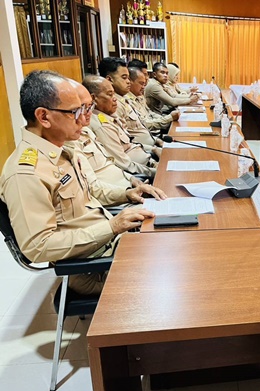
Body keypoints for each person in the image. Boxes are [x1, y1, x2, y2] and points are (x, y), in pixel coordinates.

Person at [0, 70, 155, 295]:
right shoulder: (27, 173)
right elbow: (37, 247)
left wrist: (127, 194)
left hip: (109, 244)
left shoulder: (63, 149)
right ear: (44, 117)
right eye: (76, 112)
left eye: (86, 109)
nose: (84, 119)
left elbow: (92, 190)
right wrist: (111, 227)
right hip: (91, 267)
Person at [70, 80, 166, 199]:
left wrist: (132, 179)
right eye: (78, 110)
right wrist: (128, 192)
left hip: (130, 182)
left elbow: (112, 162)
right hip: (121, 194)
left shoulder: (86, 130)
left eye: (89, 107)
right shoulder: (86, 132)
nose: (85, 114)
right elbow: (93, 189)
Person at [84, 75, 156, 178]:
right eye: (110, 95)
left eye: (114, 94)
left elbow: (130, 143)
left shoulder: (109, 115)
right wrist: (155, 172)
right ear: (93, 98)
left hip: (147, 160)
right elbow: (124, 165)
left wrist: (154, 155)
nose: (115, 99)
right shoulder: (100, 125)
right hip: (138, 173)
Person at [98, 57, 162, 154]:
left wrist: (156, 141)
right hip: (143, 152)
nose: (128, 81)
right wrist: (153, 150)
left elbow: (141, 127)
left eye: (128, 78)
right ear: (109, 79)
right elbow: (128, 142)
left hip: (150, 146)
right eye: (124, 78)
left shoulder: (124, 98)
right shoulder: (113, 105)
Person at [126, 66, 179, 136]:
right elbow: (144, 124)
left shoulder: (139, 96)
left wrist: (166, 118)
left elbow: (149, 113)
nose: (143, 87)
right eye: (141, 84)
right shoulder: (127, 101)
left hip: (155, 130)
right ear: (130, 82)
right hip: (150, 134)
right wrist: (168, 118)